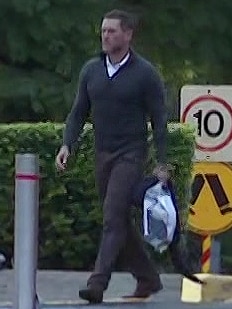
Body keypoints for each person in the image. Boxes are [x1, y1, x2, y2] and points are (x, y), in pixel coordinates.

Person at [55, 9, 170, 303]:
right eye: (103, 31)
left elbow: (159, 120)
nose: (105, 36)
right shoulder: (91, 70)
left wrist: (161, 161)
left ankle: (97, 283)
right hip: (102, 154)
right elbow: (78, 113)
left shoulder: (146, 74)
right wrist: (67, 144)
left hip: (131, 154)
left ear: (128, 34)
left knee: (112, 216)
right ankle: (148, 278)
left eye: (112, 31)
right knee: (118, 220)